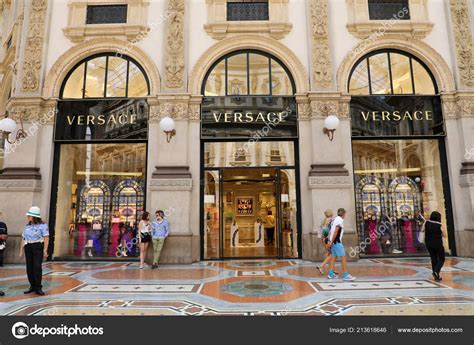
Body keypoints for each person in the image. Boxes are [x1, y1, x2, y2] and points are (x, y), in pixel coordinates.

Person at [19, 206, 49, 296]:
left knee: (37, 267)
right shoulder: (27, 226)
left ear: (35, 217)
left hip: (37, 246)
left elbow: (46, 238)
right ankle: (32, 286)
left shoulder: (43, 225)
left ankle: (38, 287)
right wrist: (21, 251)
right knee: (29, 268)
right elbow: (23, 239)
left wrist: (45, 250)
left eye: (29, 216)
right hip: (28, 246)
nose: (28, 217)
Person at [327, 208, 356, 281]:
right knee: (343, 257)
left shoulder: (334, 219)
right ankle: (345, 275)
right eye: (345, 214)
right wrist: (331, 241)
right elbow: (336, 231)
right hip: (336, 241)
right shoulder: (340, 220)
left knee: (334, 256)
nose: (345, 215)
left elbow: (330, 231)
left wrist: (329, 241)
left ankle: (330, 274)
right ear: (343, 214)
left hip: (333, 241)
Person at [424, 211, 446, 281]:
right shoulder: (440, 225)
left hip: (428, 243)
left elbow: (422, 230)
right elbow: (445, 235)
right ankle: (436, 271)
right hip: (437, 243)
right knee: (442, 258)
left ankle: (436, 275)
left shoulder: (426, 222)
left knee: (433, 258)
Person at [316, 209, 334, 275]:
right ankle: (321, 266)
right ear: (331, 213)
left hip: (323, 239)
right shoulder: (331, 220)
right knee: (333, 253)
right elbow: (333, 230)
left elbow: (320, 231)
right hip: (328, 239)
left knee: (328, 253)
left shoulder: (323, 221)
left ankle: (330, 269)